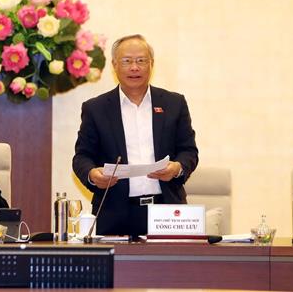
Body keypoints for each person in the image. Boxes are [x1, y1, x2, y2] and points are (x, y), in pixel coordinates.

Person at [72, 34, 199, 237]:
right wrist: (93, 175)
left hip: (166, 211)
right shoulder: (96, 108)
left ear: (151, 64)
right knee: (116, 260)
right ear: (114, 65)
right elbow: (82, 157)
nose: (134, 67)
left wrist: (177, 168)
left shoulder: (174, 103)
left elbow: (188, 150)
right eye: (127, 61)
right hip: (114, 213)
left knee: (173, 259)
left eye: (141, 60)